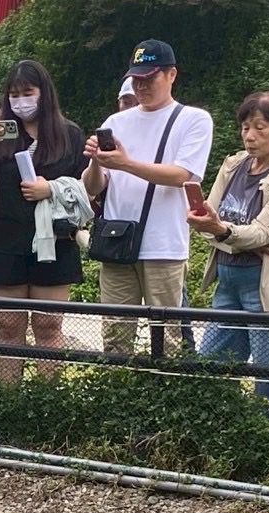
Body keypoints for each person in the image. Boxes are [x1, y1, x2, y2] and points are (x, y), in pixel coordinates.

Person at [84, 40, 213, 354]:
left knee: (168, 340)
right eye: (136, 79)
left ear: (171, 75)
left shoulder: (194, 119)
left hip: (164, 244)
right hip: (117, 241)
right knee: (115, 338)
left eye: (149, 78)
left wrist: (125, 163)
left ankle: (165, 398)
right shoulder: (114, 123)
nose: (141, 86)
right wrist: (96, 162)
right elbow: (91, 187)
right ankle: (116, 397)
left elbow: (181, 175)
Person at [187, 92, 269, 422]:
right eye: (245, 127)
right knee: (210, 367)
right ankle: (218, 435)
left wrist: (228, 233)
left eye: (260, 128)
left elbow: (262, 232)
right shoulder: (234, 165)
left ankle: (266, 441)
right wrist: (236, 236)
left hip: (266, 287)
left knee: (268, 376)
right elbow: (206, 222)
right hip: (227, 280)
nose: (250, 136)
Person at [0, 59, 86, 383]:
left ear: (44, 93)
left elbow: (85, 190)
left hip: (56, 241)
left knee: (49, 326)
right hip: (6, 239)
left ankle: (45, 403)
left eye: (27, 92)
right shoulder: (0, 132)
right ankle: (10, 402)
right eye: (14, 93)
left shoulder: (69, 134)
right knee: (8, 327)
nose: (20, 100)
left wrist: (49, 189)